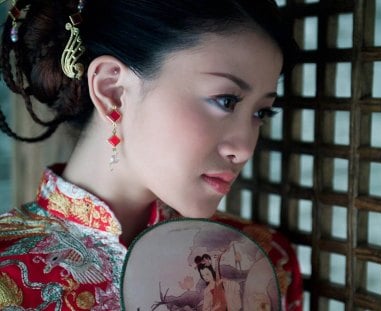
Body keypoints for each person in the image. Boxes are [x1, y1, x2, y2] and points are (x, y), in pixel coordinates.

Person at [0, 0, 303, 309]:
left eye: (262, 112)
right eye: (225, 101)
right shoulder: (7, 273)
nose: (244, 148)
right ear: (112, 90)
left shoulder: (261, 263)